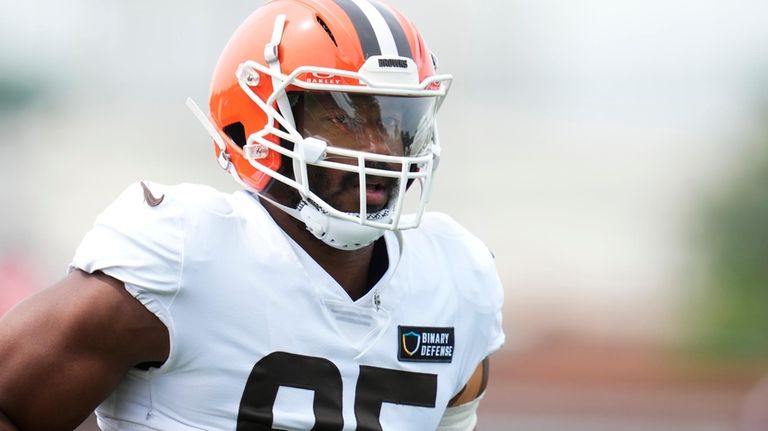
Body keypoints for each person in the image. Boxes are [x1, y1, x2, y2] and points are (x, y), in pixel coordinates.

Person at [0, 0, 504, 429]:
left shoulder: (456, 282)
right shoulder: (183, 254)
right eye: (342, 117)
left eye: (395, 120)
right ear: (257, 123)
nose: (378, 149)